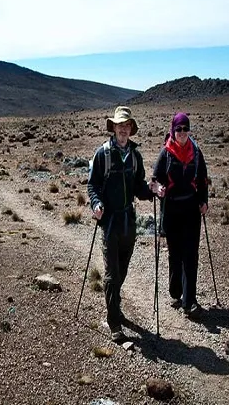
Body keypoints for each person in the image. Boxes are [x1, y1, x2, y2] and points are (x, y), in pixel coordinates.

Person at [88, 106, 158, 341]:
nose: (123, 130)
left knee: (123, 270)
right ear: (114, 128)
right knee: (111, 274)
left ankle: (114, 305)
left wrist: (151, 190)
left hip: (129, 222)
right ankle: (114, 322)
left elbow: (139, 187)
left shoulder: (135, 157)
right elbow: (93, 185)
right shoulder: (103, 154)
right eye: (119, 126)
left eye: (126, 126)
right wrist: (96, 204)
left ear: (131, 129)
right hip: (109, 223)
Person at [152, 112, 209, 316]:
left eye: (186, 128)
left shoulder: (196, 151)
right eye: (179, 129)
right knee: (175, 254)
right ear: (173, 130)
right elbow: (155, 179)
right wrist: (158, 189)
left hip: (192, 209)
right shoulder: (166, 153)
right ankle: (175, 291)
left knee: (191, 255)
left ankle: (189, 300)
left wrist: (204, 201)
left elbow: (202, 180)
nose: (182, 132)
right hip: (172, 210)